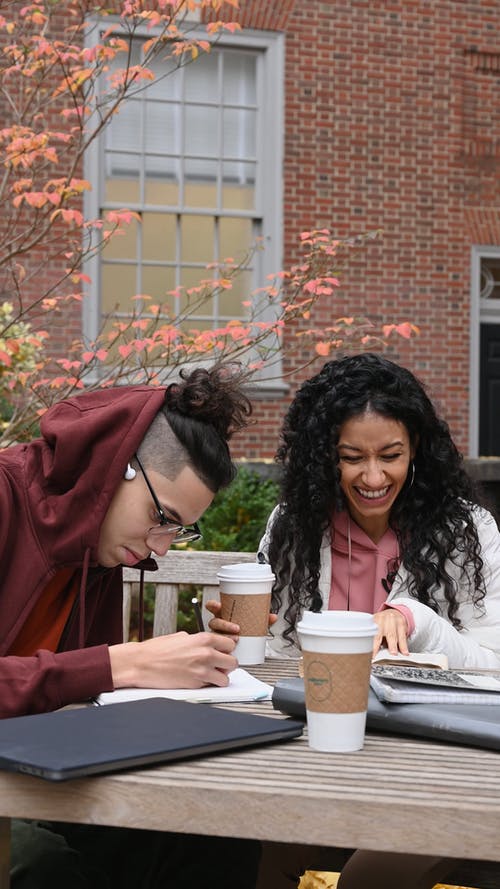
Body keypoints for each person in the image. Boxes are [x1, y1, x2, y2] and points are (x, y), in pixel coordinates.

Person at [0, 363, 261, 889]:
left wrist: (180, 662)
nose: (160, 547)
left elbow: (76, 693)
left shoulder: (97, 551)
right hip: (19, 782)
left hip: (37, 765)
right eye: (161, 518)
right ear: (116, 466)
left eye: (179, 531)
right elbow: (91, 671)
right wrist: (122, 663)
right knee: (40, 860)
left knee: (214, 829)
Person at [249, 352, 500, 889]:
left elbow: (495, 670)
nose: (372, 476)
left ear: (417, 453)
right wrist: (234, 635)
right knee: (262, 845)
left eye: (391, 455)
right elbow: (272, 660)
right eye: (351, 457)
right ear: (324, 458)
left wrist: (416, 617)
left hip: (438, 769)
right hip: (323, 757)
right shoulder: (293, 528)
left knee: (371, 875)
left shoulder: (469, 533)